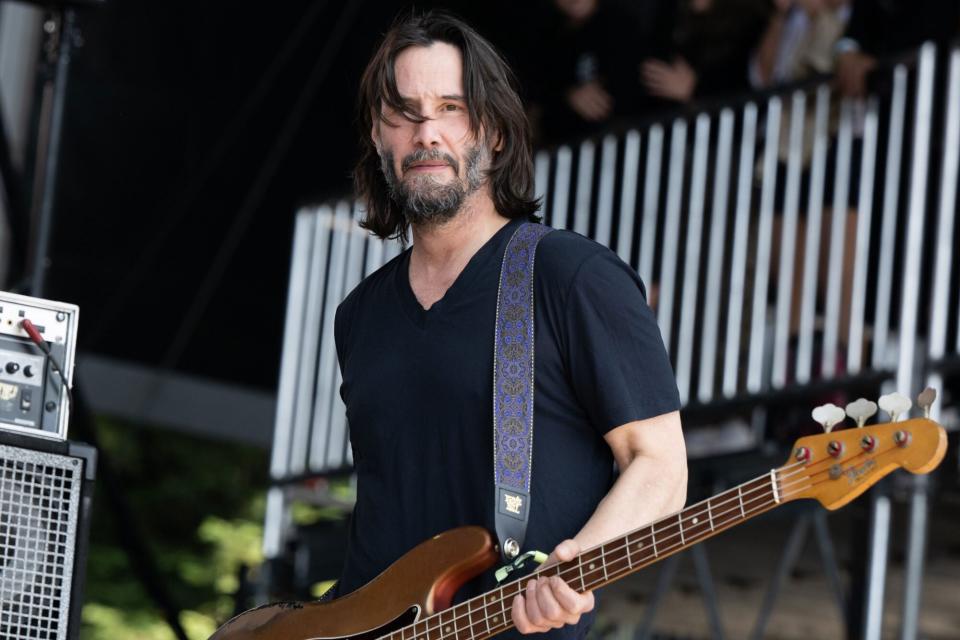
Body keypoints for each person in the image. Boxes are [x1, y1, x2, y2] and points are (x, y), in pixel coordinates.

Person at [215, 11, 687, 640]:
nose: (426, 131)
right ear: (380, 139)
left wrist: (577, 566)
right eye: (403, 113)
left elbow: (659, 465)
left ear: (492, 132)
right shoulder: (361, 315)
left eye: (450, 108)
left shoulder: (570, 276)